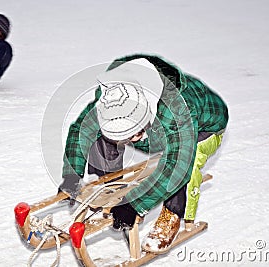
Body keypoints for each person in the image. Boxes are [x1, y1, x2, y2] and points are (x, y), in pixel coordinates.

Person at [58, 53, 228, 253]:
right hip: (155, 129)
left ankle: (171, 215)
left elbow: (177, 166)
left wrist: (135, 205)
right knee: (101, 138)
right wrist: (72, 175)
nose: (129, 142)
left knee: (186, 165)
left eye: (133, 134)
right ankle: (108, 191)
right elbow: (81, 131)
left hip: (204, 129)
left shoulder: (177, 109)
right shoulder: (112, 98)